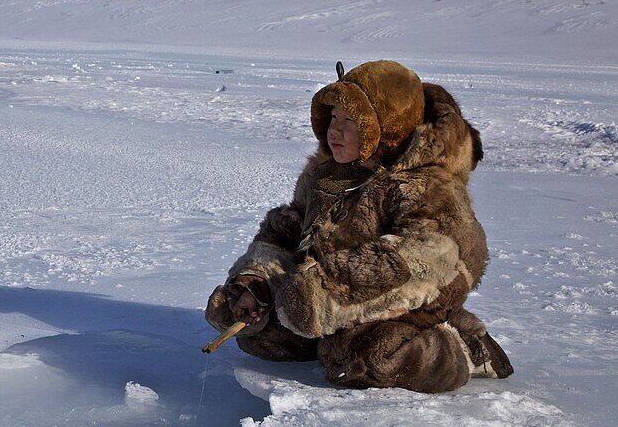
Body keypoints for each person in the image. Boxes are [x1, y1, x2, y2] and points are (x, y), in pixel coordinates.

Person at [205, 60, 512, 393]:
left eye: (350, 121)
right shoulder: (326, 174)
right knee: (261, 334)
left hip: (417, 298)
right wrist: (257, 285)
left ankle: (463, 348)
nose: (335, 130)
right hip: (336, 298)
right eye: (334, 117)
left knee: (368, 357)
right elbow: (289, 230)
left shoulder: (427, 184)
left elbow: (423, 261)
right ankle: (327, 330)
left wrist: (324, 295)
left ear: (386, 127)